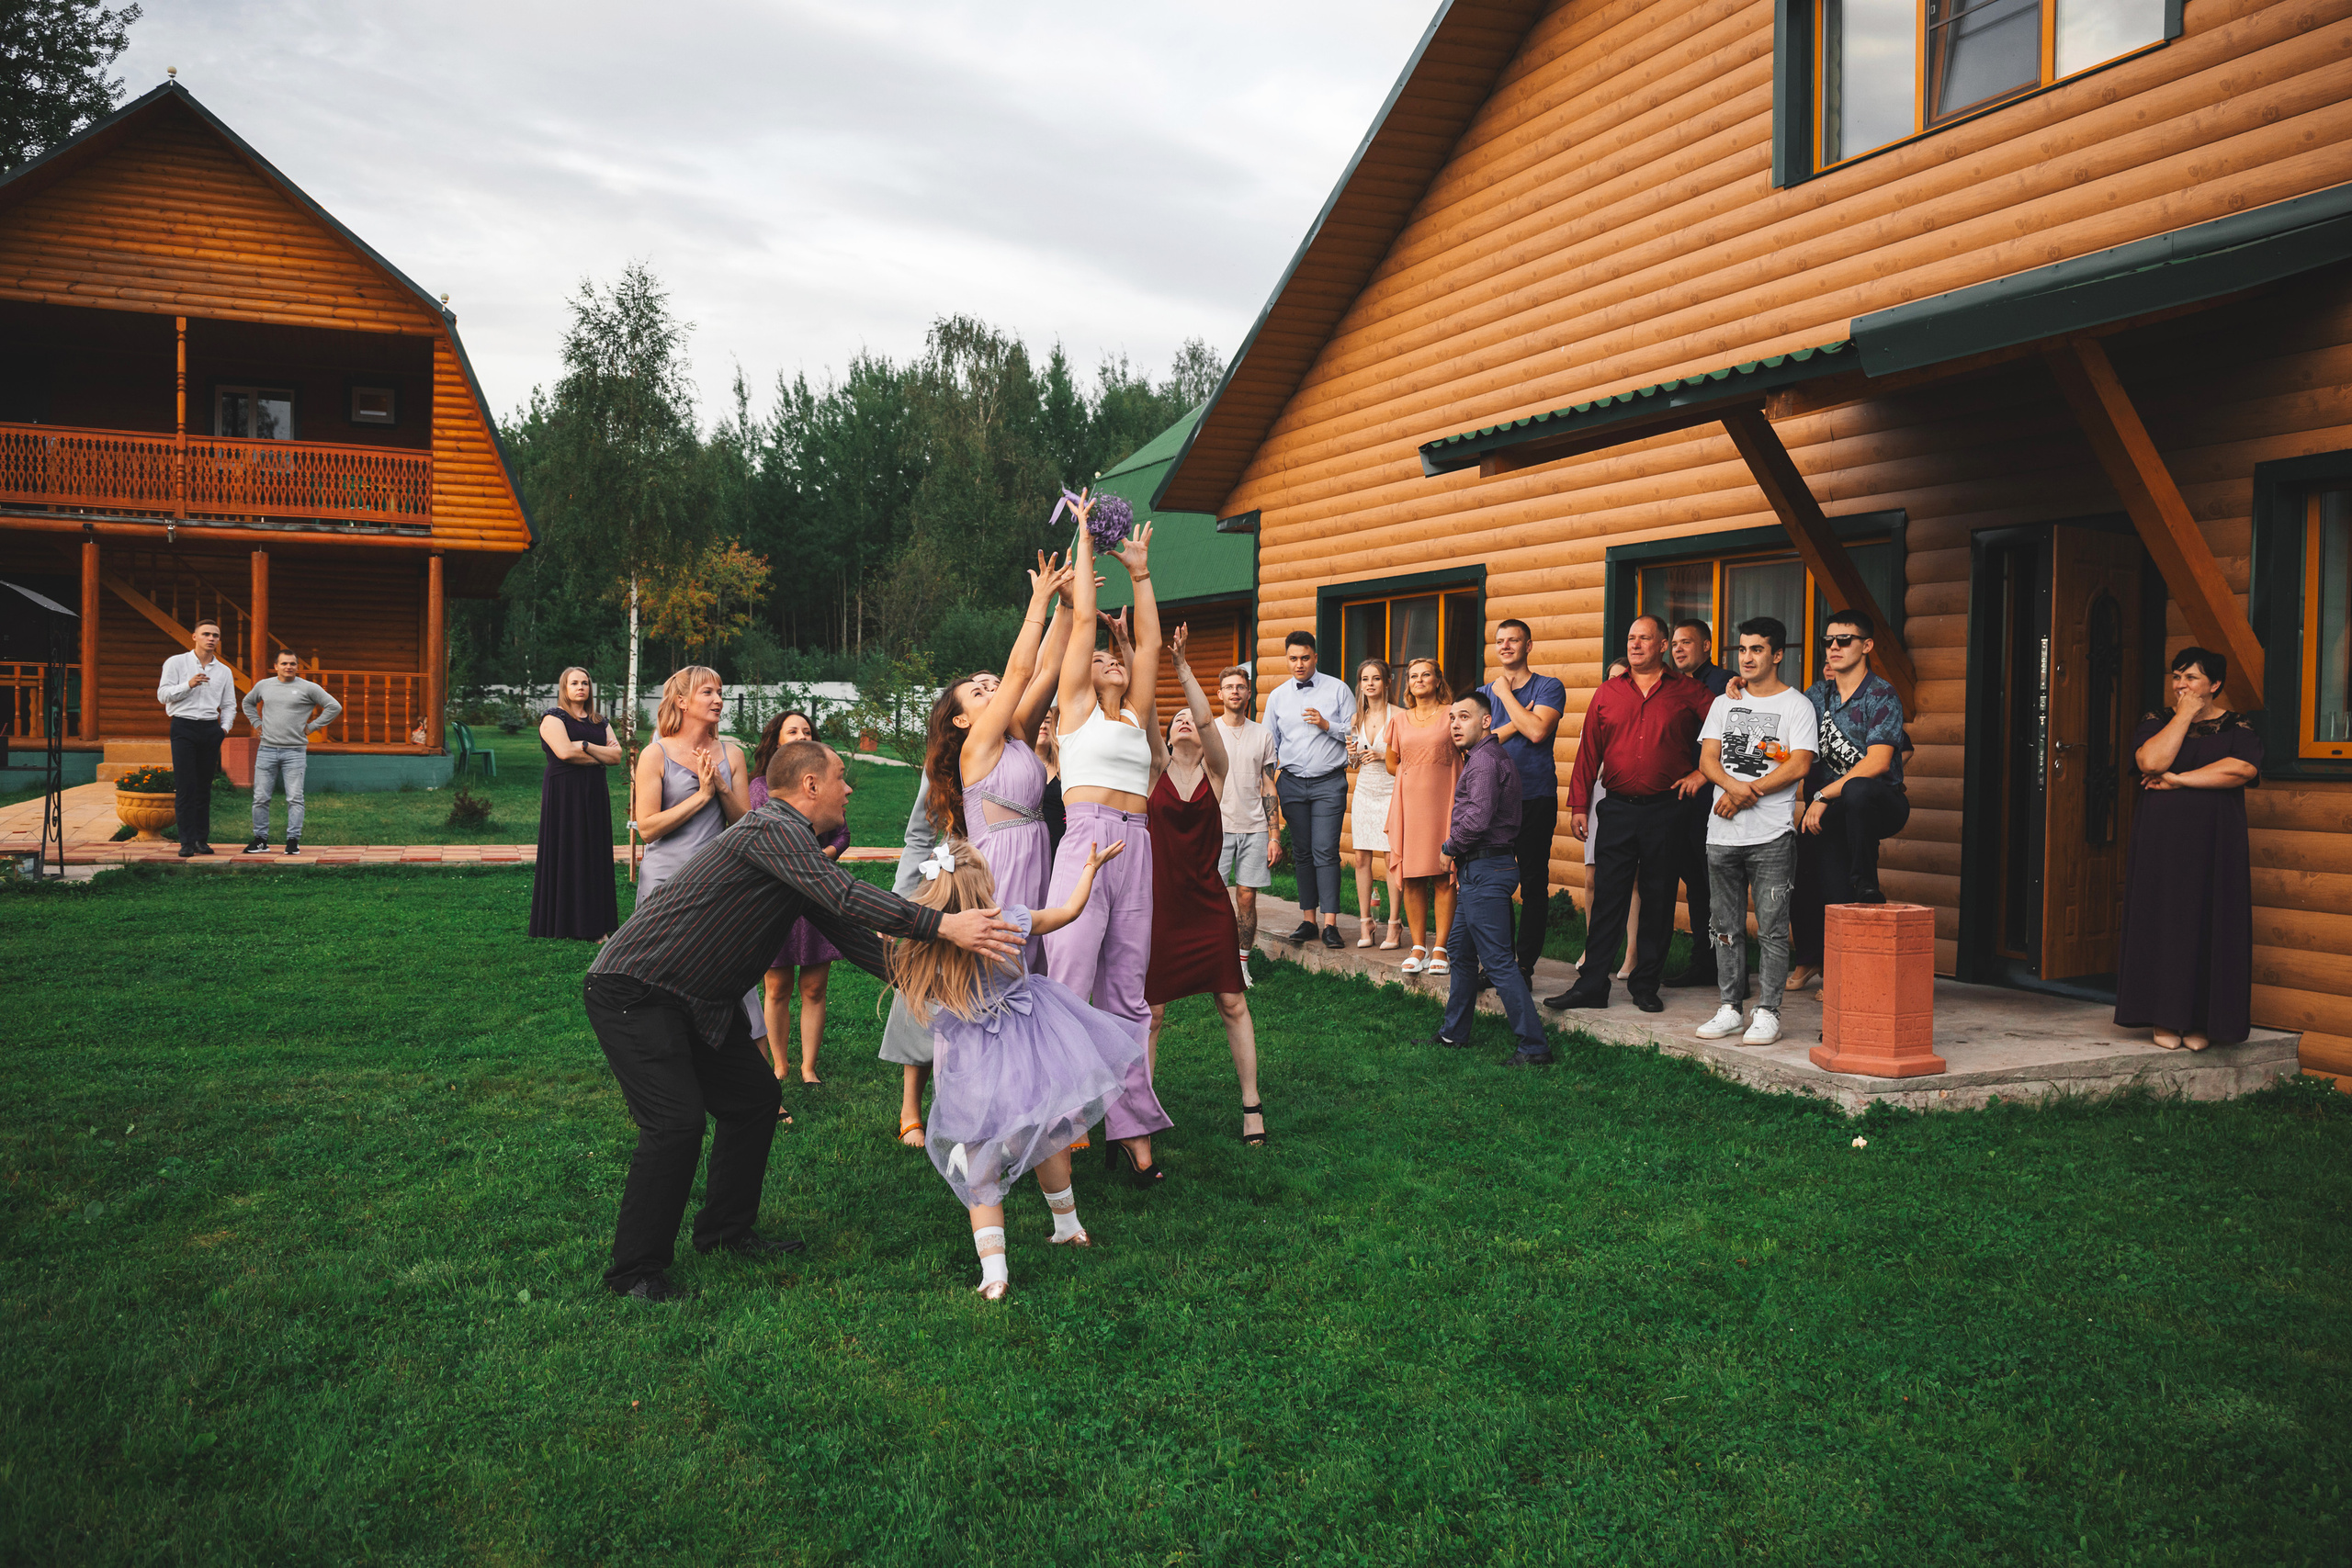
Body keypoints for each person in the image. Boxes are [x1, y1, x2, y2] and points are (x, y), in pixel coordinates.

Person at [583, 738, 1023, 1300]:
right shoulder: (773, 829)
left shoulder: (795, 857)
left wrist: (946, 986)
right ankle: (634, 1273)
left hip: (695, 1000)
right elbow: (843, 897)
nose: (849, 790)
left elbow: (857, 940)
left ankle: (724, 1232)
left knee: (753, 1101)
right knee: (675, 1123)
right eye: (841, 777)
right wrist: (942, 927)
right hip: (637, 989)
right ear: (810, 785)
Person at [891, 836, 1136, 1300]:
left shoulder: (932, 946)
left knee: (980, 1156)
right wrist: (1089, 869)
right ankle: (1070, 1226)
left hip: (976, 1061)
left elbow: (905, 973)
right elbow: (1068, 913)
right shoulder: (1011, 920)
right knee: (1045, 1136)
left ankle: (995, 1276)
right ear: (984, 884)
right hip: (1032, 1046)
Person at [1044, 513, 1173, 1183]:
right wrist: (1087, 536)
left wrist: (1143, 573)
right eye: (1099, 657)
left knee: (1129, 992)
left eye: (1112, 657)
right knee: (1068, 981)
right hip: (1086, 842)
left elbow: (1147, 643)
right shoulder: (1076, 710)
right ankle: (1055, 1120)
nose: (1111, 659)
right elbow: (1086, 623)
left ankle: (1133, 1130)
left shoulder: (1131, 709)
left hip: (1138, 846)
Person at [1548, 615, 1713, 1013]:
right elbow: (1589, 752)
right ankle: (1592, 986)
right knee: (1608, 898)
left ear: (1662, 646)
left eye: (1645, 639)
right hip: (1617, 809)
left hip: (1666, 811)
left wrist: (1703, 772)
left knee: (1657, 899)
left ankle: (1645, 984)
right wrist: (1580, 805)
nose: (1635, 645)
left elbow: (1729, 731)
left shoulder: (1690, 692)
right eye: (1631, 637)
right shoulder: (1608, 692)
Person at [1144, 626, 1269, 1145]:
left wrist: (1182, 666)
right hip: (1161, 909)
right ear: (1169, 738)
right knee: (1151, 1014)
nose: (1184, 724)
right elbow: (1147, 713)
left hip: (1208, 903)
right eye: (1176, 723)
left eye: (1189, 721)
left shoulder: (1216, 772)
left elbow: (1204, 718)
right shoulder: (1154, 771)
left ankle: (1252, 1106)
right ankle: (1141, 1111)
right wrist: (1140, 656)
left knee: (1233, 1002)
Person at [2115, 648, 2262, 1050]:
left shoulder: (2238, 726)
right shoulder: (2156, 721)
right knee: (2166, 918)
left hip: (2217, 842)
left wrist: (2179, 780)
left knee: (2210, 920)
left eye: (2192, 678)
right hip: (2162, 843)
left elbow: (2241, 770)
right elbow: (2150, 761)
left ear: (2214, 685)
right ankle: (2165, 1018)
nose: (2182, 685)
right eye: (2177, 676)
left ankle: (2200, 1022)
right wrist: (2183, 714)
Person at [1691, 619, 1816, 1047]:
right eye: (1742, 650)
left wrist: (1747, 792)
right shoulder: (1724, 702)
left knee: (1773, 929)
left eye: (1757, 650)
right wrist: (1732, 788)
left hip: (1771, 836)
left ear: (1777, 655)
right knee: (1724, 925)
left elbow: (1799, 764)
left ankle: (1769, 1011)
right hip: (1721, 835)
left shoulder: (1797, 706)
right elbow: (1708, 759)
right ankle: (1730, 1008)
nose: (1747, 657)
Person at [1416, 692, 1552, 1064]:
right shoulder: (1481, 758)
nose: (1455, 724)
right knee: (1460, 952)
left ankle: (1534, 1047)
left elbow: (1477, 818)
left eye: (1464, 717)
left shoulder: (1486, 762)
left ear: (1486, 721)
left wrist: (1449, 847)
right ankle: (1453, 1034)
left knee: (1498, 962)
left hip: (1488, 870)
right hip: (1478, 869)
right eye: (1452, 718)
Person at [1788, 609, 1910, 987]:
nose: (1834, 647)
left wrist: (1822, 795)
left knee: (1855, 795)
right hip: (1826, 809)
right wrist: (1743, 684)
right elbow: (1779, 711)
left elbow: (1879, 762)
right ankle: (1811, 959)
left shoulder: (1881, 694)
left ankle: (1865, 883)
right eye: (1828, 641)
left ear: (1867, 645)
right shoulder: (1816, 694)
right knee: (1804, 877)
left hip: (1878, 804)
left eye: (1844, 640)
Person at [747, 711, 842, 1099]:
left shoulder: (828, 785)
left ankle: (808, 1067)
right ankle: (780, 1063)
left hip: (817, 890)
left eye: (807, 730)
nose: (801, 734)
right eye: (792, 730)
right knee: (777, 985)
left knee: (815, 986)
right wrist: (801, 865)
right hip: (777, 893)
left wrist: (819, 862)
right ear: (776, 741)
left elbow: (844, 832)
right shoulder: (758, 787)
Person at [1480, 618, 1566, 982]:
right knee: (1494, 884)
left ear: (1528, 645)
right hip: (1492, 800)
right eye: (1500, 641)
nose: (1506, 646)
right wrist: (1517, 718)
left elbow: (1537, 730)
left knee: (1532, 883)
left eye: (1514, 640)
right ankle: (1498, 963)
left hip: (1534, 795)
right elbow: (1475, 743)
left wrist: (1505, 698)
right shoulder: (1483, 692)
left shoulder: (1549, 687)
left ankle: (1524, 965)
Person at [1261, 630, 1357, 949]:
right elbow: (1268, 744)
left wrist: (1327, 725)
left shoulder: (1338, 690)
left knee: (1325, 850)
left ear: (1315, 657)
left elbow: (1356, 736)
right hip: (1290, 783)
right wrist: (1267, 782)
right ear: (1286, 660)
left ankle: (1330, 924)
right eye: (1293, 659)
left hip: (1328, 781)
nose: (1299, 664)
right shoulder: (1277, 697)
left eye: (1304, 658)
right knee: (1302, 852)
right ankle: (1308, 920)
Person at [632, 666, 751, 903]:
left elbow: (745, 826)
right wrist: (702, 796)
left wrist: (722, 789)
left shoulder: (733, 755)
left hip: (715, 879)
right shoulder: (655, 755)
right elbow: (646, 830)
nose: (718, 700)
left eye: (719, 693)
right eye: (707, 692)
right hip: (663, 880)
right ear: (682, 702)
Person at [1663, 619, 1734, 989]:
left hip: (1715, 798)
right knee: (1694, 881)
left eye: (1686, 642)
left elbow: (1736, 737)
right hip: (1680, 802)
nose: (1677, 649)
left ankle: (1726, 966)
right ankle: (1702, 962)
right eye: (1673, 643)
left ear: (1706, 646)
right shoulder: (1671, 685)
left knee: (1716, 881)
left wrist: (1703, 774)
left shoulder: (1724, 684)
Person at [528, 665, 620, 940]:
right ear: (564, 688)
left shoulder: (599, 721)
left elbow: (616, 757)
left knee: (594, 852)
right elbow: (565, 753)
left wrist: (587, 746)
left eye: (585, 683)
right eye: (574, 683)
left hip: (594, 792)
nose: (580, 687)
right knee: (570, 849)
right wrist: (598, 757)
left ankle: (596, 923)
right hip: (564, 793)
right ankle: (568, 925)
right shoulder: (553, 718)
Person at [1385, 656, 1460, 976]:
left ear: (1437, 680)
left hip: (1445, 801)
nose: (1418, 680)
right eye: (1413, 676)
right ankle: (1418, 946)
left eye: (1425, 674)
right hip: (1410, 805)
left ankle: (1441, 946)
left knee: (1443, 874)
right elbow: (1392, 763)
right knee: (1413, 876)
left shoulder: (1452, 714)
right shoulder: (1400, 720)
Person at [239, 649, 342, 855]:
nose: (288, 667)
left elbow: (334, 706)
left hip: (294, 752)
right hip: (266, 749)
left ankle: (293, 841)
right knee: (260, 797)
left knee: (294, 797)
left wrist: (312, 727)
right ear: (275, 666)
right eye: (284, 663)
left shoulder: (308, 687)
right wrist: (257, 723)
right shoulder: (264, 686)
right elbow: (247, 702)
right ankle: (260, 840)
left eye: (292, 664)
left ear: (297, 666)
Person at [1212, 664, 1278, 986]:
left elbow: (1268, 785)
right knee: (1212, 895)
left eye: (1241, 686)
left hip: (1254, 827)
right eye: (1230, 687)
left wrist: (1275, 834)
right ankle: (1211, 959)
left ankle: (1240, 965)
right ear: (1220, 693)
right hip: (1216, 827)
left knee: (1247, 897)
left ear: (1248, 693)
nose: (1235, 691)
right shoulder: (1208, 731)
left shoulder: (1263, 734)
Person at [157, 617, 236, 857]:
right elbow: (162, 695)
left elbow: (230, 704)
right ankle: (186, 842)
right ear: (194, 637)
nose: (211, 639)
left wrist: (224, 729)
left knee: (204, 787)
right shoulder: (177, 663)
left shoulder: (224, 671)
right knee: (185, 787)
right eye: (206, 634)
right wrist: (188, 685)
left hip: (210, 730)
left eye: (215, 635)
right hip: (183, 728)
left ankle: (201, 839)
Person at [1345, 657, 1404, 949]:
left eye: (1376, 678)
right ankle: (1366, 922)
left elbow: (1409, 757)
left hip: (1392, 791)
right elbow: (1354, 764)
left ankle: (1394, 924)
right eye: (1365, 679)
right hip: (1365, 792)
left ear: (1387, 682)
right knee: (1360, 858)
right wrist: (1351, 754)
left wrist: (1383, 756)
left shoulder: (1400, 716)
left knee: (1392, 859)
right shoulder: (1357, 718)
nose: (1370, 684)